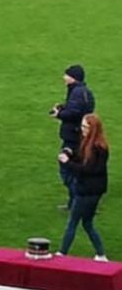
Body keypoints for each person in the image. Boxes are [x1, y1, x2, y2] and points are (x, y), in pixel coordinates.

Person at [57, 114, 109, 261]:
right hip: (92, 190)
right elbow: (81, 158)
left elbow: (87, 169)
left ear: (93, 129)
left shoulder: (97, 148)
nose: (82, 129)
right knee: (87, 223)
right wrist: (69, 153)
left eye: (85, 127)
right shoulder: (91, 144)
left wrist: (67, 163)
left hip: (87, 190)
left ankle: (62, 253)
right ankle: (101, 254)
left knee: (73, 221)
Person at [52, 65, 95, 208]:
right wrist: (64, 107)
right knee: (74, 169)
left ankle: (79, 200)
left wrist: (59, 114)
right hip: (78, 135)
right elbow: (80, 110)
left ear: (73, 77)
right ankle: (75, 202)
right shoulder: (82, 91)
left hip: (73, 137)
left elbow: (75, 113)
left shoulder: (77, 92)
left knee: (66, 168)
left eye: (66, 75)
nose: (64, 77)